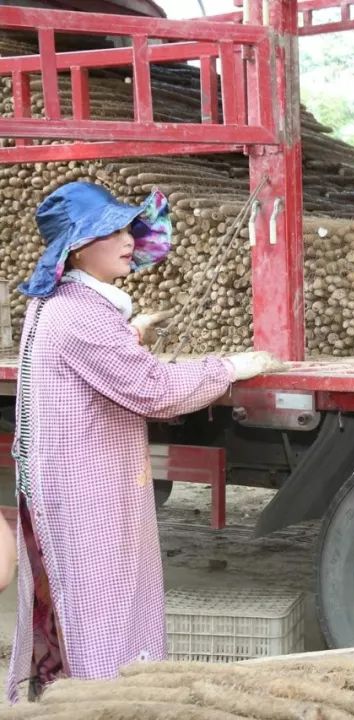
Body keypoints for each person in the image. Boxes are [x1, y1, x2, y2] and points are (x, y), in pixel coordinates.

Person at [6, 182, 281, 702]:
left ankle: (80, 701)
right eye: (109, 231)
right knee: (101, 609)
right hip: (86, 491)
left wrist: (132, 335)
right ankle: (103, 706)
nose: (128, 239)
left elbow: (99, 367)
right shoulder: (80, 313)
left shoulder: (63, 303)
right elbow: (152, 391)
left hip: (75, 481)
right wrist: (230, 367)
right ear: (79, 248)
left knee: (83, 605)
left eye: (125, 227)